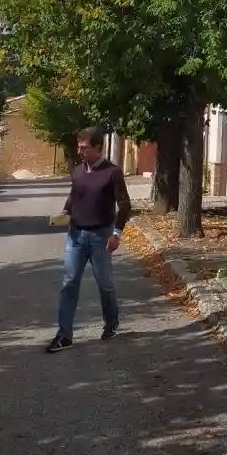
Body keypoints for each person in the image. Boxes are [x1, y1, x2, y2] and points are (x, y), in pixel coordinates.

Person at [46, 125, 133, 353]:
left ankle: (111, 322)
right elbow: (74, 195)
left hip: (101, 236)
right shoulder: (77, 171)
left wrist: (117, 234)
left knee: (105, 284)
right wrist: (65, 212)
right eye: (79, 146)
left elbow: (125, 205)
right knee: (69, 283)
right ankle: (64, 335)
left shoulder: (112, 172)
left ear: (98, 147)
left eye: (84, 147)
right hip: (76, 235)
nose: (80, 151)